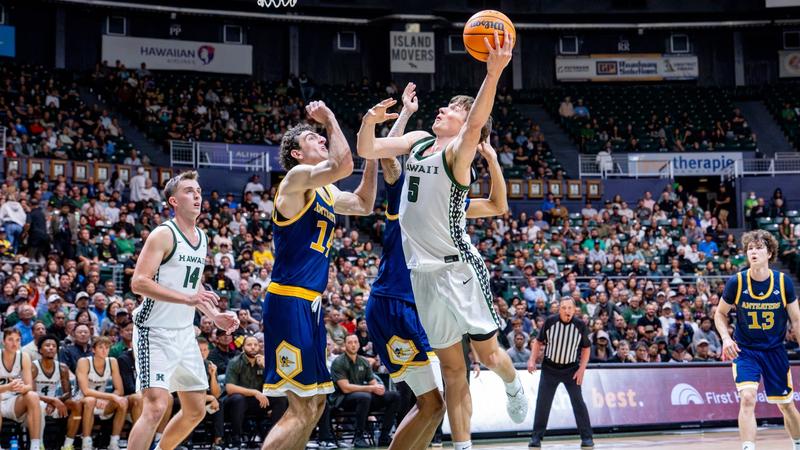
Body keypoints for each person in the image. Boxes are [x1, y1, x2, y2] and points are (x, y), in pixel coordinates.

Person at [357, 30, 525, 450]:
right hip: (422, 277)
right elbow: (369, 148)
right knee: (452, 371)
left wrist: (494, 73)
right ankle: (462, 446)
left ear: (465, 124)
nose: (442, 110)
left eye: (451, 110)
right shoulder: (417, 142)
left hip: (459, 269)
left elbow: (475, 127)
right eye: (445, 106)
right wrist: (368, 121)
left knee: (487, 357)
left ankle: (513, 383)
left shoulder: (457, 154)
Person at [262, 100, 377, 449]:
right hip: (288, 300)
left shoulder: (325, 191)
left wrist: (373, 155)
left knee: (317, 402)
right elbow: (342, 165)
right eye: (313, 137)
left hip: (311, 305)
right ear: (297, 154)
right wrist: (329, 117)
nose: (322, 138)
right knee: (299, 406)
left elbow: (363, 204)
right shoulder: (296, 180)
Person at [127, 171, 238, 450]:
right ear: (174, 201)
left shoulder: (201, 238)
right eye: (189, 191)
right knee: (156, 407)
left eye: (198, 190)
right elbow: (138, 282)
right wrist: (185, 299)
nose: (197, 195)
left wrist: (215, 317)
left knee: (196, 409)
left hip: (184, 333)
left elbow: (194, 288)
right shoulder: (163, 234)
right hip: (154, 331)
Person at [715, 230, 800, 450]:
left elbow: (797, 321)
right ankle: (748, 447)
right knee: (748, 397)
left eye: (759, 247)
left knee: (786, 405)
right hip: (746, 351)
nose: (753, 251)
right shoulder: (737, 281)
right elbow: (719, 313)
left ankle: (798, 443)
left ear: (769, 252)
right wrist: (726, 338)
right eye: (750, 248)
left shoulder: (784, 282)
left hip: (774, 351)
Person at [527, 297, 594, 449]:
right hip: (549, 369)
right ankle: (536, 437)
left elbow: (586, 348)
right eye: (563, 308)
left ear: (574, 309)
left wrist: (581, 369)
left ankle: (587, 437)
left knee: (578, 403)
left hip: (571, 369)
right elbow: (538, 342)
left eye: (569, 308)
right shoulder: (550, 322)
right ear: (559, 309)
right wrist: (532, 360)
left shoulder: (580, 325)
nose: (567, 311)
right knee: (543, 403)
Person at [330, 334, 402, 448]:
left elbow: (372, 382)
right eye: (350, 342)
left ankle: (384, 437)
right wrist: (371, 388)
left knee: (394, 396)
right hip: (343, 399)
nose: (353, 345)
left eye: (355, 342)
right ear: (345, 345)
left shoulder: (363, 361)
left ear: (359, 344)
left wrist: (379, 388)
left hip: (363, 399)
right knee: (364, 396)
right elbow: (345, 388)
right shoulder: (339, 362)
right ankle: (359, 437)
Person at [224, 335, 288, 448]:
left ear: (259, 347)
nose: (253, 347)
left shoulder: (264, 362)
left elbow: (276, 386)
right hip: (236, 403)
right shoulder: (235, 362)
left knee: (281, 399)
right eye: (249, 345)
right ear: (243, 348)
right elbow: (230, 388)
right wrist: (254, 392)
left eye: (255, 345)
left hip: (258, 402)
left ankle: (273, 438)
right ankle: (236, 440)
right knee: (239, 399)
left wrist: (264, 367)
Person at [74, 337, 128, 450]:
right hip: (82, 399)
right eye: (101, 347)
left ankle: (114, 442)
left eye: (107, 348)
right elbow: (85, 391)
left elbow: (120, 390)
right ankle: (86, 442)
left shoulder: (112, 361)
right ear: (93, 350)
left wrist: (108, 399)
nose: (104, 350)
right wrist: (110, 396)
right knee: (91, 400)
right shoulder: (83, 362)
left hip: (103, 401)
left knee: (123, 401)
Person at [32, 335, 82, 450]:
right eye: (47, 345)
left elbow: (68, 393)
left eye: (54, 346)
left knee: (76, 404)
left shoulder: (62, 368)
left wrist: (56, 401)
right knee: (38, 405)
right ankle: (39, 445)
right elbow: (32, 393)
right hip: (35, 403)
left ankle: (68, 444)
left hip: (53, 403)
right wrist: (52, 400)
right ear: (40, 350)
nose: (51, 348)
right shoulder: (33, 366)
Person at [0, 328, 43, 450]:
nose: (15, 343)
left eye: (18, 340)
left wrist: (22, 388)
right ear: (3, 342)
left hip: (12, 402)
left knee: (33, 396)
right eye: (10, 340)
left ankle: (35, 445)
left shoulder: (24, 356)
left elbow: (29, 385)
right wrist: (8, 386)